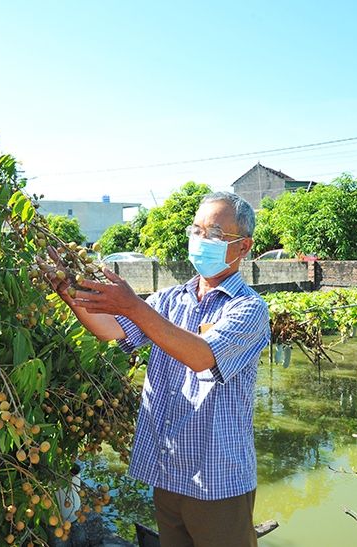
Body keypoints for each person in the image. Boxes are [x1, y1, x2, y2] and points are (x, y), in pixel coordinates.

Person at [45, 191, 270, 547]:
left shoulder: (248, 309)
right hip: (169, 474)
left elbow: (201, 356)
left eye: (213, 234)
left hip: (217, 479)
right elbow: (111, 329)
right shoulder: (170, 299)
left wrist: (133, 305)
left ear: (243, 247)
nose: (200, 241)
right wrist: (72, 294)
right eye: (196, 230)